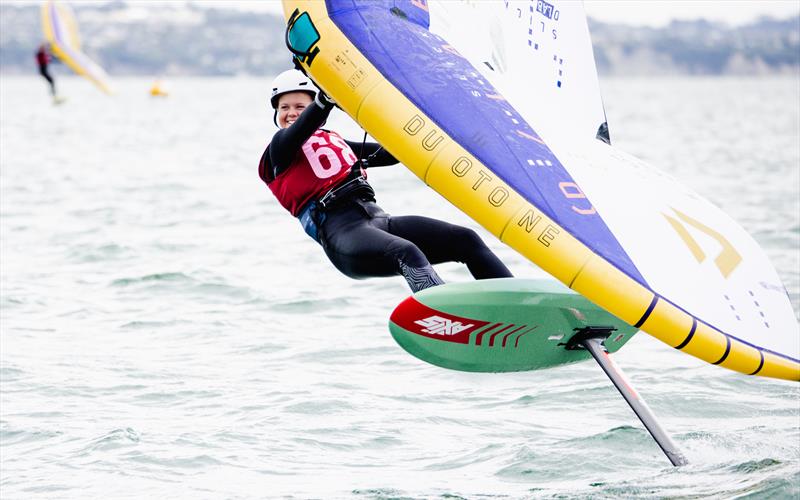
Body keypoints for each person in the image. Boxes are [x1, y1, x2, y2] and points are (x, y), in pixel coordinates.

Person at [258, 69, 513, 292]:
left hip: (378, 221)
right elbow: (304, 126)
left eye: (299, 107)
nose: (291, 113)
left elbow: (392, 154)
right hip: (342, 235)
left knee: (465, 239)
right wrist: (326, 95)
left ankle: (517, 304)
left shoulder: (335, 142)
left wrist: (456, 132)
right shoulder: (279, 150)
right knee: (407, 253)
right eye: (284, 108)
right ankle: (449, 321)